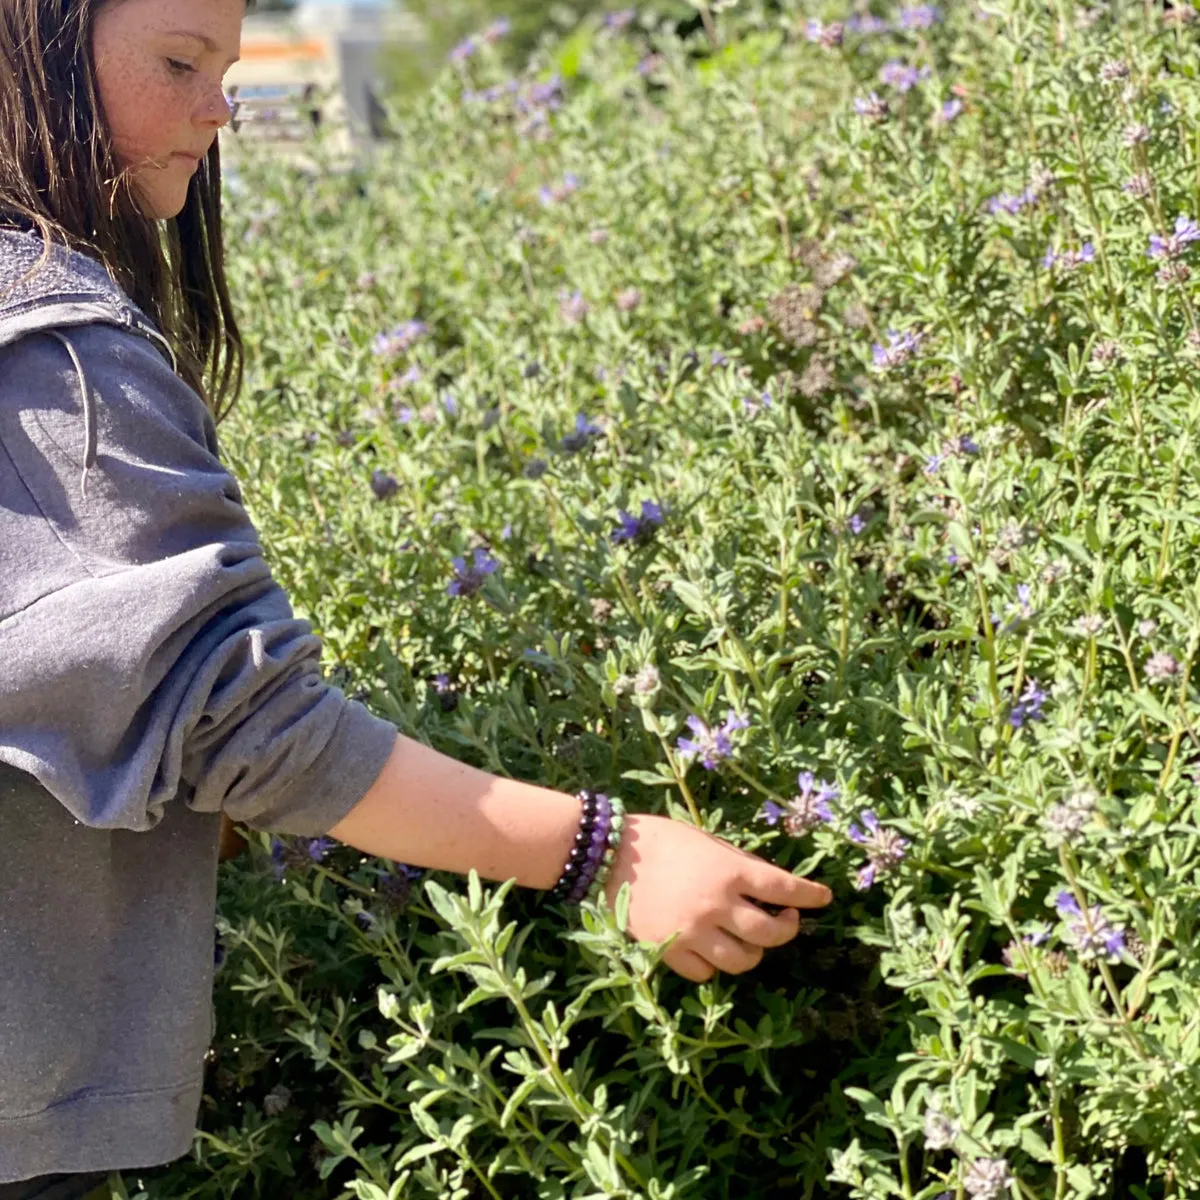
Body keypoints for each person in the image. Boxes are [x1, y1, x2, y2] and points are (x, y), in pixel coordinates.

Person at [0, 0, 833, 1196]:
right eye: (181, 60)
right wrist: (612, 851)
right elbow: (248, 726)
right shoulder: (50, 356)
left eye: (227, 66)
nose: (218, 109)